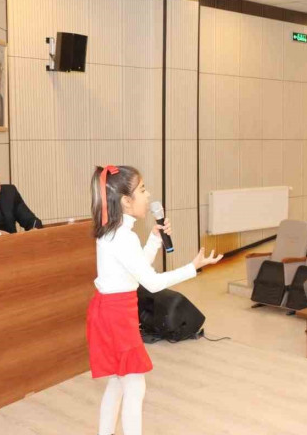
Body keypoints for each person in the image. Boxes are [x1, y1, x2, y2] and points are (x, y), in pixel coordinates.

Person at [87, 165, 223, 435]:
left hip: (110, 310)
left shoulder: (113, 231)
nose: (148, 196)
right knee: (135, 387)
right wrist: (192, 267)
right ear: (126, 201)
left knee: (118, 382)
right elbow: (150, 282)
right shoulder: (122, 237)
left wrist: (153, 239)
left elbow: (135, 274)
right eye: (142, 190)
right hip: (115, 315)